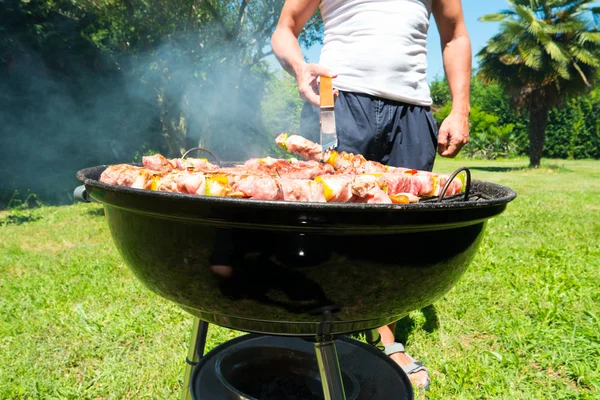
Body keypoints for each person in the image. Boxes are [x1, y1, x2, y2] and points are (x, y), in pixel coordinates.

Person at [271, 0, 472, 389]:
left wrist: (460, 109)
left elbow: (456, 34)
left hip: (412, 111)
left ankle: (386, 338)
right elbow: (286, 27)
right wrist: (299, 67)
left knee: (397, 230)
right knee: (324, 224)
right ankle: (316, 338)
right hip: (338, 98)